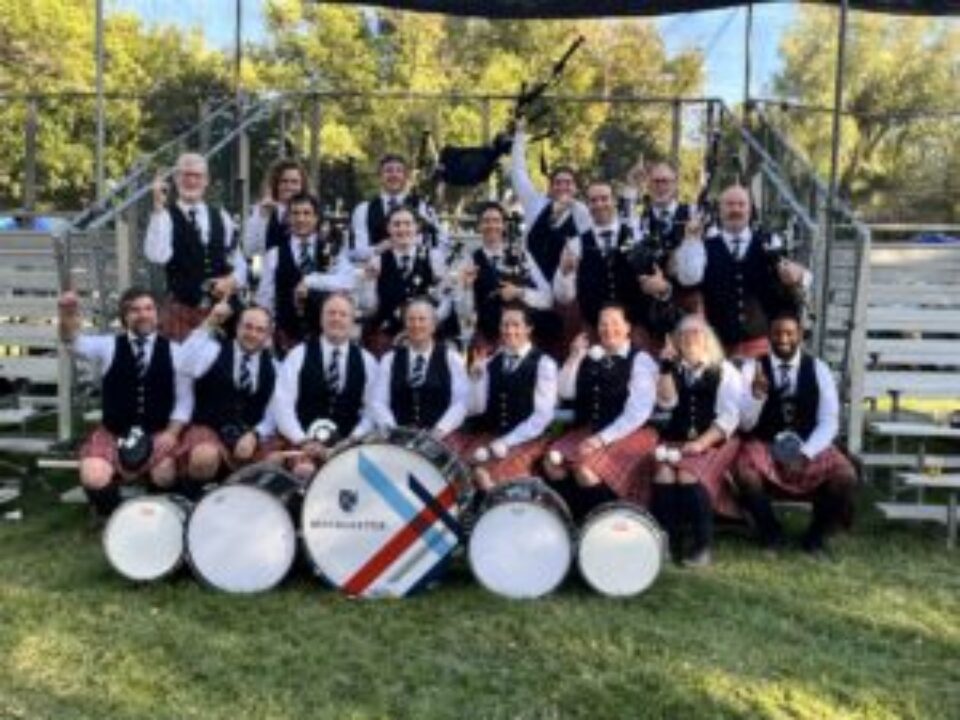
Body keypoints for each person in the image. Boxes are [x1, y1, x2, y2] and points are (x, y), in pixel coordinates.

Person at [58, 287, 193, 516]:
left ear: (157, 315)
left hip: (157, 432)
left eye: (149, 309)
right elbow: (72, 340)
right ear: (124, 316)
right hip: (114, 432)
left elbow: (184, 400)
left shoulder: (176, 351)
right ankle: (117, 519)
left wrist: (171, 433)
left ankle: (158, 519)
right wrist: (67, 313)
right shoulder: (108, 345)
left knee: (166, 474)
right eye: (135, 310)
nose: (143, 314)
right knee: (93, 475)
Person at [736, 311, 858, 557]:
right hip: (766, 442)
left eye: (790, 333)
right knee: (745, 473)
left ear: (800, 336)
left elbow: (829, 420)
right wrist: (756, 397)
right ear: (768, 336)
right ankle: (771, 534)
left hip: (807, 443)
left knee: (845, 474)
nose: (783, 339)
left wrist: (806, 452)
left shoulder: (819, 368)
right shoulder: (752, 368)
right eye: (777, 333)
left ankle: (815, 538)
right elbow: (745, 424)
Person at [544, 304, 659, 520]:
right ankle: (575, 520)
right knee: (552, 463)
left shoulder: (640, 360)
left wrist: (601, 439)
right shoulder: (590, 356)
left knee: (585, 470)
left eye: (615, 323)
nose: (608, 329)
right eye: (603, 324)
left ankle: (607, 522)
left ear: (627, 328)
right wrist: (574, 357)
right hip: (590, 429)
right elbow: (565, 392)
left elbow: (638, 412)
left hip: (630, 432)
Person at [674, 185, 809, 358]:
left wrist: (800, 276)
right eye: (729, 204)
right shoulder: (704, 246)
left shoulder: (770, 243)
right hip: (718, 349)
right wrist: (691, 240)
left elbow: (805, 280)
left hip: (763, 346)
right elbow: (688, 279)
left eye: (741, 204)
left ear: (750, 209)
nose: (735, 209)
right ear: (720, 209)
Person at [650, 314, 743, 567]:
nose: (690, 338)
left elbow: (729, 417)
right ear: (677, 341)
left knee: (688, 475)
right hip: (676, 440)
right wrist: (666, 369)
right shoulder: (673, 369)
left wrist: (701, 443)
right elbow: (666, 402)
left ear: (707, 339)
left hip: (713, 440)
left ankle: (702, 545)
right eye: (684, 334)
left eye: (696, 333)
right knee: (663, 475)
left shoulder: (724, 370)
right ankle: (667, 542)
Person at [553, 180, 677, 351]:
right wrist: (564, 272)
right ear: (587, 205)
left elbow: (660, 282)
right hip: (596, 331)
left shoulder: (637, 236)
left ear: (614, 201)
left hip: (633, 329)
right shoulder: (576, 244)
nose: (599, 204)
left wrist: (661, 287)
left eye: (604, 198)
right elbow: (564, 297)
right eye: (593, 200)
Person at [272, 292, 379, 480]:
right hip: (303, 442)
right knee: (304, 472)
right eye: (331, 313)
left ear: (352, 320)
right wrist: (302, 440)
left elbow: (372, 411)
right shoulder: (298, 355)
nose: (336, 318)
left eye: (343, 314)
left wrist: (353, 439)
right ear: (321, 318)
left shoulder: (368, 361)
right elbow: (282, 405)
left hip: (348, 445)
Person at [451, 304, 558, 491]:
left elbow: (542, 417)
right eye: (505, 325)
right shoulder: (490, 362)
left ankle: (499, 513)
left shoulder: (544, 364)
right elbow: (476, 408)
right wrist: (476, 379)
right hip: (492, 435)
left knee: (483, 475)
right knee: (457, 469)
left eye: (516, 325)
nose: (509, 331)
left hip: (527, 439)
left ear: (528, 328)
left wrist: (506, 441)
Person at [144, 152, 247, 341]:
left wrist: (231, 281)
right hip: (184, 311)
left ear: (206, 180)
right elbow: (157, 256)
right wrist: (158, 207)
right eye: (185, 175)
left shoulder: (221, 216)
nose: (191, 181)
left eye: (197, 176)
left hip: (223, 310)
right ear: (175, 179)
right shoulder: (164, 217)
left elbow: (239, 262)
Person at [177, 304, 279, 488]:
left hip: (248, 434)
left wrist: (255, 435)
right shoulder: (212, 350)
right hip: (209, 428)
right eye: (248, 327)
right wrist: (209, 323)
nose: (253, 334)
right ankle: (194, 504)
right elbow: (182, 362)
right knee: (204, 456)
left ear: (268, 335)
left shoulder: (275, 368)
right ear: (237, 327)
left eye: (260, 330)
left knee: (274, 463)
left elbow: (275, 412)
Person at [255, 192, 354, 353]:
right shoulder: (275, 254)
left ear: (316, 218)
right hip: (286, 337)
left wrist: (311, 281)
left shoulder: (332, 249)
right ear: (287, 218)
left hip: (325, 338)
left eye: (307, 213)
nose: (301, 219)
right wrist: (266, 333)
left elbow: (348, 281)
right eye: (295, 213)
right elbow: (265, 299)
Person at [460, 201, 553, 354]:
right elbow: (465, 314)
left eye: (496, 221)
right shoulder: (469, 260)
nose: (491, 226)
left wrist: (519, 292)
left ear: (504, 225)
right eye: (486, 221)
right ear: (479, 226)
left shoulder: (522, 256)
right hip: (489, 341)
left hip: (522, 342)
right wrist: (466, 288)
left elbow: (547, 299)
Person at [361, 205, 455, 356]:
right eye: (396, 224)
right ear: (388, 229)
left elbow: (445, 300)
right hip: (388, 337)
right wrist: (368, 281)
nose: (402, 229)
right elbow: (369, 307)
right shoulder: (377, 260)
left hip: (425, 335)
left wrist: (428, 324)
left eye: (408, 224)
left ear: (416, 227)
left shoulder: (433, 258)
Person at [370, 299, 469, 440]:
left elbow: (461, 402)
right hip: (398, 439)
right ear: (405, 325)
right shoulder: (389, 360)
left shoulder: (452, 359)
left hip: (440, 439)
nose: (416, 325)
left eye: (422, 319)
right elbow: (378, 401)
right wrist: (393, 431)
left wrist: (439, 431)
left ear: (433, 325)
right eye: (411, 320)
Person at [510, 121, 591, 284]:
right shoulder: (535, 202)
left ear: (575, 188)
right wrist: (519, 136)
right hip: (536, 280)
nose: (563, 187)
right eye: (558, 182)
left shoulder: (581, 210)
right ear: (550, 186)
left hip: (568, 284)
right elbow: (518, 172)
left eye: (568, 182)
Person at [349, 153, 447, 261]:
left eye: (399, 171)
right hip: (373, 272)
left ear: (405, 177)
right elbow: (354, 253)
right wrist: (379, 248)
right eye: (388, 171)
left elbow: (440, 242)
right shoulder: (363, 210)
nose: (394, 175)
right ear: (379, 176)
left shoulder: (422, 207)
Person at [242, 158, 310, 256]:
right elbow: (250, 250)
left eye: (295, 182)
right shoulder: (261, 210)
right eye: (284, 181)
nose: (289, 186)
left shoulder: (311, 211)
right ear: (275, 184)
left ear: (302, 185)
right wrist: (263, 217)